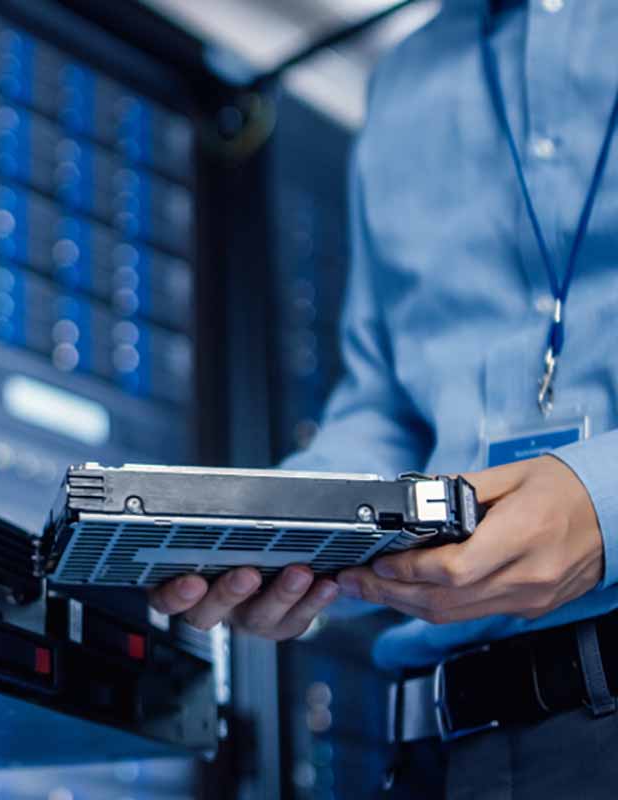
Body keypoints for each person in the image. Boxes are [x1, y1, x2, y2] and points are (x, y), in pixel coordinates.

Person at [152, 0, 618, 795]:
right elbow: (388, 410)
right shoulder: (408, 81)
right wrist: (285, 536)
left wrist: (605, 503)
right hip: (443, 753)